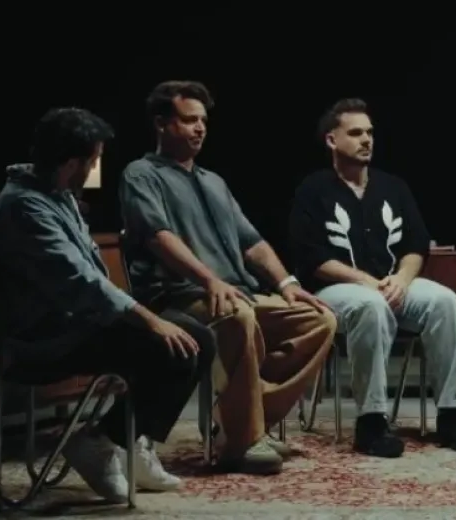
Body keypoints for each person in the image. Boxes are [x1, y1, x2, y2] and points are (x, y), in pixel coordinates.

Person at [0, 107, 215, 502]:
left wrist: (146, 317)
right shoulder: (24, 205)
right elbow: (82, 281)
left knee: (198, 339)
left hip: (80, 325)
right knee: (169, 347)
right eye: (93, 159)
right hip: (45, 339)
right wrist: (148, 320)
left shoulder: (59, 195)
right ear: (71, 163)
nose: (96, 167)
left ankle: (129, 440)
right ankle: (98, 443)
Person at [119, 80, 337, 475]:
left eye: (203, 120)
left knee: (320, 319)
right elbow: (158, 237)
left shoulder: (213, 181)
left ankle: (245, 422)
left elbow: (252, 242)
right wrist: (209, 280)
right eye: (189, 120)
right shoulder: (141, 174)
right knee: (238, 316)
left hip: (236, 292)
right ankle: (242, 439)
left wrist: (287, 284)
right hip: (180, 296)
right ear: (162, 124)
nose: (200, 128)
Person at [289, 98, 456, 458]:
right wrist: (367, 281)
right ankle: (372, 422)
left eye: (370, 132)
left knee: (445, 301)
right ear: (331, 140)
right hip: (334, 292)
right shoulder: (312, 190)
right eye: (355, 133)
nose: (366, 140)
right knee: (370, 305)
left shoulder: (393, 186)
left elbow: (416, 244)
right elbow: (311, 257)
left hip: (390, 284)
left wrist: (403, 280)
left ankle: (452, 414)